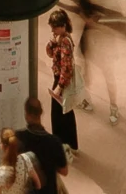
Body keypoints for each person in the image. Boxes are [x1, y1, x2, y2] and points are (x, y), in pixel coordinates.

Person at [46, 10, 81, 160]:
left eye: (54, 27)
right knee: (65, 112)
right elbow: (49, 53)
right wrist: (52, 42)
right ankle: (70, 144)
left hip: (61, 81)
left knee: (59, 115)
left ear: (62, 26)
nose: (52, 30)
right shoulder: (60, 39)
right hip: (60, 79)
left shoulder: (65, 42)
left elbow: (66, 68)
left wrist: (59, 87)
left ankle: (61, 146)